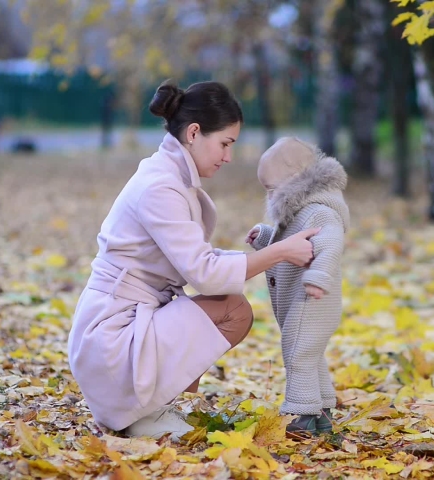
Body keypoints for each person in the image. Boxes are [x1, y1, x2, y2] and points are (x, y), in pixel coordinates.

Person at [67, 80, 320, 440]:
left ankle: (146, 405)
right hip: (112, 339)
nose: (228, 156)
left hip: (121, 324)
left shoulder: (168, 175)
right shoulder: (160, 186)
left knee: (229, 306)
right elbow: (205, 274)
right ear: (194, 132)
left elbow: (197, 261)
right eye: (225, 143)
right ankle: (141, 411)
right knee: (233, 310)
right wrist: (279, 251)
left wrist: (262, 252)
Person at [246, 137, 349, 434]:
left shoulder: (319, 210)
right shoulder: (300, 208)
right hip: (304, 300)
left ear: (294, 179)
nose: (268, 196)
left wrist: (318, 277)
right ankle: (323, 410)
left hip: (313, 299)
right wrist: (266, 238)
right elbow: (291, 242)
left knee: (297, 353)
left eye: (270, 188)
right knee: (311, 353)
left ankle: (301, 414)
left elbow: (330, 243)